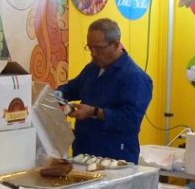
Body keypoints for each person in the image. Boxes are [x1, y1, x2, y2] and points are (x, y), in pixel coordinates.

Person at [56, 17, 153, 162]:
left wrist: (94, 112)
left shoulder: (135, 78)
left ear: (116, 44)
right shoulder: (92, 68)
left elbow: (130, 121)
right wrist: (57, 95)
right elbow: (73, 88)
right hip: (84, 152)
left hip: (115, 157)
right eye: (89, 47)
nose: (93, 53)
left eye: (98, 48)